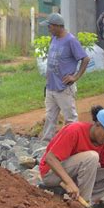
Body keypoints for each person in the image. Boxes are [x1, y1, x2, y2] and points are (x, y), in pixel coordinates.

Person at [39, 106, 104, 205]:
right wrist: (69, 183)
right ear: (98, 124)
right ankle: (83, 204)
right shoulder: (74, 130)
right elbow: (50, 158)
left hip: (74, 176)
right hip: (52, 174)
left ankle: (81, 200)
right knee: (92, 157)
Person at [39, 13, 90, 141]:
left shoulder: (70, 40)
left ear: (57, 26)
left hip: (64, 88)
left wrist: (76, 76)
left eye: (49, 26)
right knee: (50, 117)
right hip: (51, 86)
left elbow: (85, 58)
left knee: (70, 118)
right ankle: (46, 143)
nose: (48, 29)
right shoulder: (54, 38)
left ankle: (73, 143)